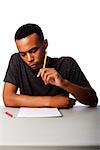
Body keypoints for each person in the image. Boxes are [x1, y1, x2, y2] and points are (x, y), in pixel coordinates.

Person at [3, 23, 98, 108]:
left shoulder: (67, 64)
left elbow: (93, 101)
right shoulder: (17, 61)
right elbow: (8, 98)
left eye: (33, 51)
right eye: (23, 54)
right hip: (28, 123)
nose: (29, 59)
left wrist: (64, 83)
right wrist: (51, 101)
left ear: (45, 44)